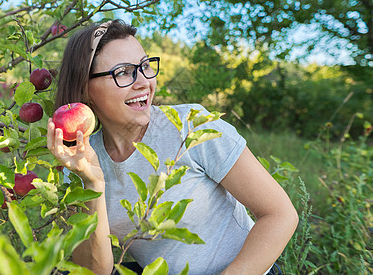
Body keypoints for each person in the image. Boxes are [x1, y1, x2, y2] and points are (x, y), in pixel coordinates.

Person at [47, 19, 298, 275]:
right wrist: (92, 183)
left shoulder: (191, 126)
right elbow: (94, 271)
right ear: (85, 89)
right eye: (123, 71)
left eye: (145, 66)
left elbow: (280, 214)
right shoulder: (81, 159)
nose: (143, 81)